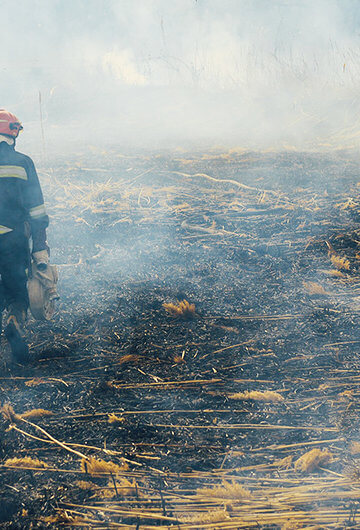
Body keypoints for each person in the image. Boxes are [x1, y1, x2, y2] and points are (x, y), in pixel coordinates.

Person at [0, 109, 49, 363]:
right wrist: (40, 248)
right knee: (16, 289)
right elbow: (37, 209)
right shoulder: (23, 162)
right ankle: (14, 320)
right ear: (14, 132)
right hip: (13, 238)